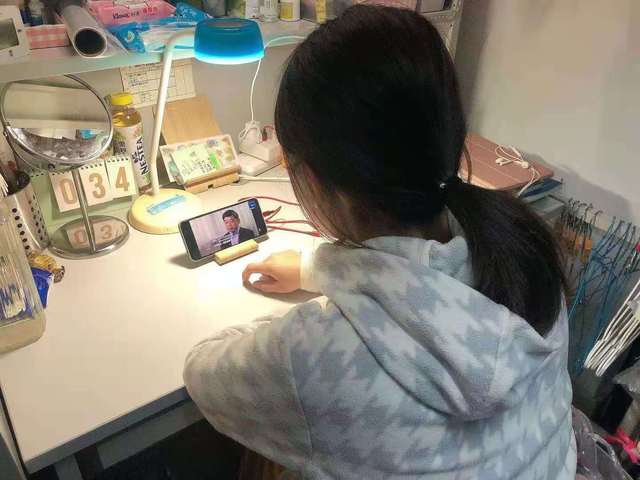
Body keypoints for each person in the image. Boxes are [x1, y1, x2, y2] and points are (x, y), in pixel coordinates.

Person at [184, 6, 575, 479]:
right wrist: (316, 270)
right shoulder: (524, 248)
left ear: (312, 179)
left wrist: (315, 302)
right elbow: (421, 296)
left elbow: (202, 373)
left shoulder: (313, 357)